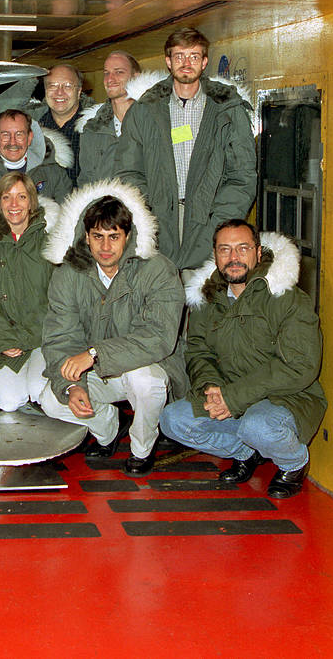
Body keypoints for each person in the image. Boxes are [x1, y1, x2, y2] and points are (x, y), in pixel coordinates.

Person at [160, 220, 326, 499]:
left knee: (258, 426)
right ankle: (246, 452)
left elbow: (300, 366)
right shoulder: (208, 298)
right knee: (172, 420)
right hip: (228, 391)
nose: (233, 258)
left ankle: (293, 463)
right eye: (225, 250)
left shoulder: (286, 297)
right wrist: (210, 386)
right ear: (215, 255)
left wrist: (233, 397)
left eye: (242, 248)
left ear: (258, 253)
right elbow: (199, 350)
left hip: (286, 397)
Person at [40, 181, 186, 475]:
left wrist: (93, 354)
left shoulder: (158, 270)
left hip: (151, 366)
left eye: (114, 237)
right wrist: (73, 385)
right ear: (86, 237)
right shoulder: (69, 274)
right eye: (98, 237)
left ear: (128, 236)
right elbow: (60, 336)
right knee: (51, 400)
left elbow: (158, 339)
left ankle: (142, 449)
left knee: (144, 381)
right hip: (97, 369)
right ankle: (109, 429)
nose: (105, 247)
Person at [116, 27, 257, 272]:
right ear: (168, 61)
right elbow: (129, 171)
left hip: (209, 223)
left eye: (194, 56)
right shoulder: (144, 111)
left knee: (203, 299)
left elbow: (242, 176)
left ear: (204, 62)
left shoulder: (229, 111)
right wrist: (149, 214)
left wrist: (219, 224)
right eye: (179, 56)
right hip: (158, 224)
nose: (186, 63)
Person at [0, 173, 58, 412]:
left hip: (43, 335)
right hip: (5, 336)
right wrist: (3, 339)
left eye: (21, 197)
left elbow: (60, 297)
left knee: (40, 391)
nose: (14, 205)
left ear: (31, 202)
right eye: (7, 197)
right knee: (8, 402)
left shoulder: (50, 239)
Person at [0, 108, 72, 227]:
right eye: (5, 135)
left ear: (29, 138)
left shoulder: (54, 173)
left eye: (19, 134)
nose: (12, 142)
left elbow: (66, 223)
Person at [77, 51, 152, 186]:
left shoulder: (155, 123)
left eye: (119, 72)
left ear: (136, 77)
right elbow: (86, 182)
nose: (110, 79)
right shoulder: (92, 130)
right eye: (106, 73)